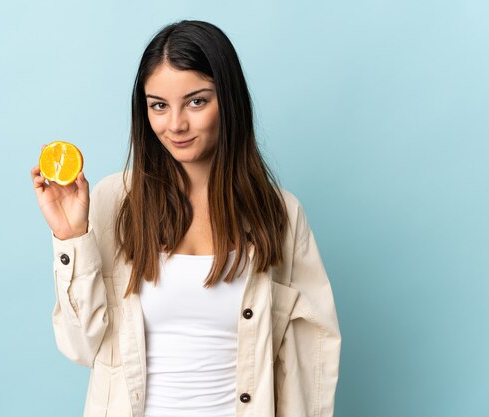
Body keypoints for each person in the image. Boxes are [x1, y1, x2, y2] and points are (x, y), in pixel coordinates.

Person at [30, 19, 341, 417]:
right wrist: (72, 237)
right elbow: (81, 346)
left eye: (196, 101)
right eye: (158, 105)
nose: (175, 124)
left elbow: (310, 356)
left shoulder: (278, 214)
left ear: (227, 100)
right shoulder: (111, 202)